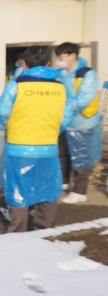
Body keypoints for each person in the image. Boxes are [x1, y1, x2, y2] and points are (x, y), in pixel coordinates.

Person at [0, 45, 74, 232]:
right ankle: (44, 234)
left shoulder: (16, 86)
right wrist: (51, 131)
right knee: (47, 192)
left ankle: (17, 234)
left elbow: (1, 115)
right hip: (48, 149)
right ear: (48, 63)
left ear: (24, 63)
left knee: (18, 193)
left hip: (18, 149)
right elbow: (66, 118)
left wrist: (8, 127)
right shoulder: (61, 87)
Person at [55, 43, 102, 204]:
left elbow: (85, 97)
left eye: (61, 57)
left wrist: (66, 107)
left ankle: (80, 192)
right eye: (58, 57)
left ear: (73, 56)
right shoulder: (60, 74)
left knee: (81, 157)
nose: (58, 60)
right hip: (64, 123)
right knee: (63, 153)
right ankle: (63, 182)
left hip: (83, 123)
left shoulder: (87, 74)